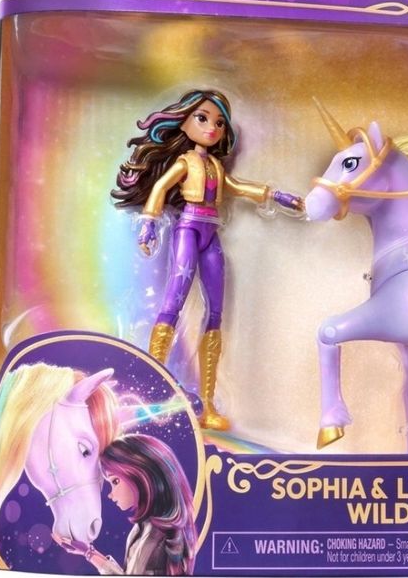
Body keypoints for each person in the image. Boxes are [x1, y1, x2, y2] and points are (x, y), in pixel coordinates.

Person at [112, 89, 303, 430]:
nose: (212, 128)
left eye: (218, 123)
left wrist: (277, 195)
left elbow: (237, 186)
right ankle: (152, 396)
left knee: (215, 314)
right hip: (187, 229)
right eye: (202, 118)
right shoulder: (185, 162)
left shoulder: (215, 165)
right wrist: (148, 224)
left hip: (210, 234)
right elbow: (159, 189)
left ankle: (209, 404)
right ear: (183, 122)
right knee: (173, 303)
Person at [82, 434, 197, 575]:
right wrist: (88, 552)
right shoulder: (146, 526)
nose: (110, 494)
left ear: (141, 475)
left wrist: (89, 554)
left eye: (115, 481)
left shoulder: (156, 535)